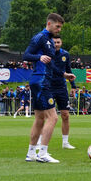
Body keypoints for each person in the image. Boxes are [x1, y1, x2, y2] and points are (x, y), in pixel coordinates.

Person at [23, 13, 64, 163]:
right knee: (53, 117)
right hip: (40, 80)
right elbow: (26, 55)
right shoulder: (40, 37)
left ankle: (31, 153)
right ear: (49, 24)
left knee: (40, 118)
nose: (59, 29)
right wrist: (38, 57)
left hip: (41, 80)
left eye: (60, 27)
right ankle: (43, 153)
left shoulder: (49, 41)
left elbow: (51, 64)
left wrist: (63, 74)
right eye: (57, 26)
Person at [46, 37, 77, 148]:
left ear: (61, 43)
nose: (56, 44)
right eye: (54, 42)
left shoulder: (65, 54)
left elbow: (68, 69)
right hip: (49, 86)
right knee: (48, 116)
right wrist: (64, 74)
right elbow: (52, 67)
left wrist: (73, 86)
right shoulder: (47, 53)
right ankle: (41, 142)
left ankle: (65, 142)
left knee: (65, 115)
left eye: (58, 42)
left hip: (61, 87)